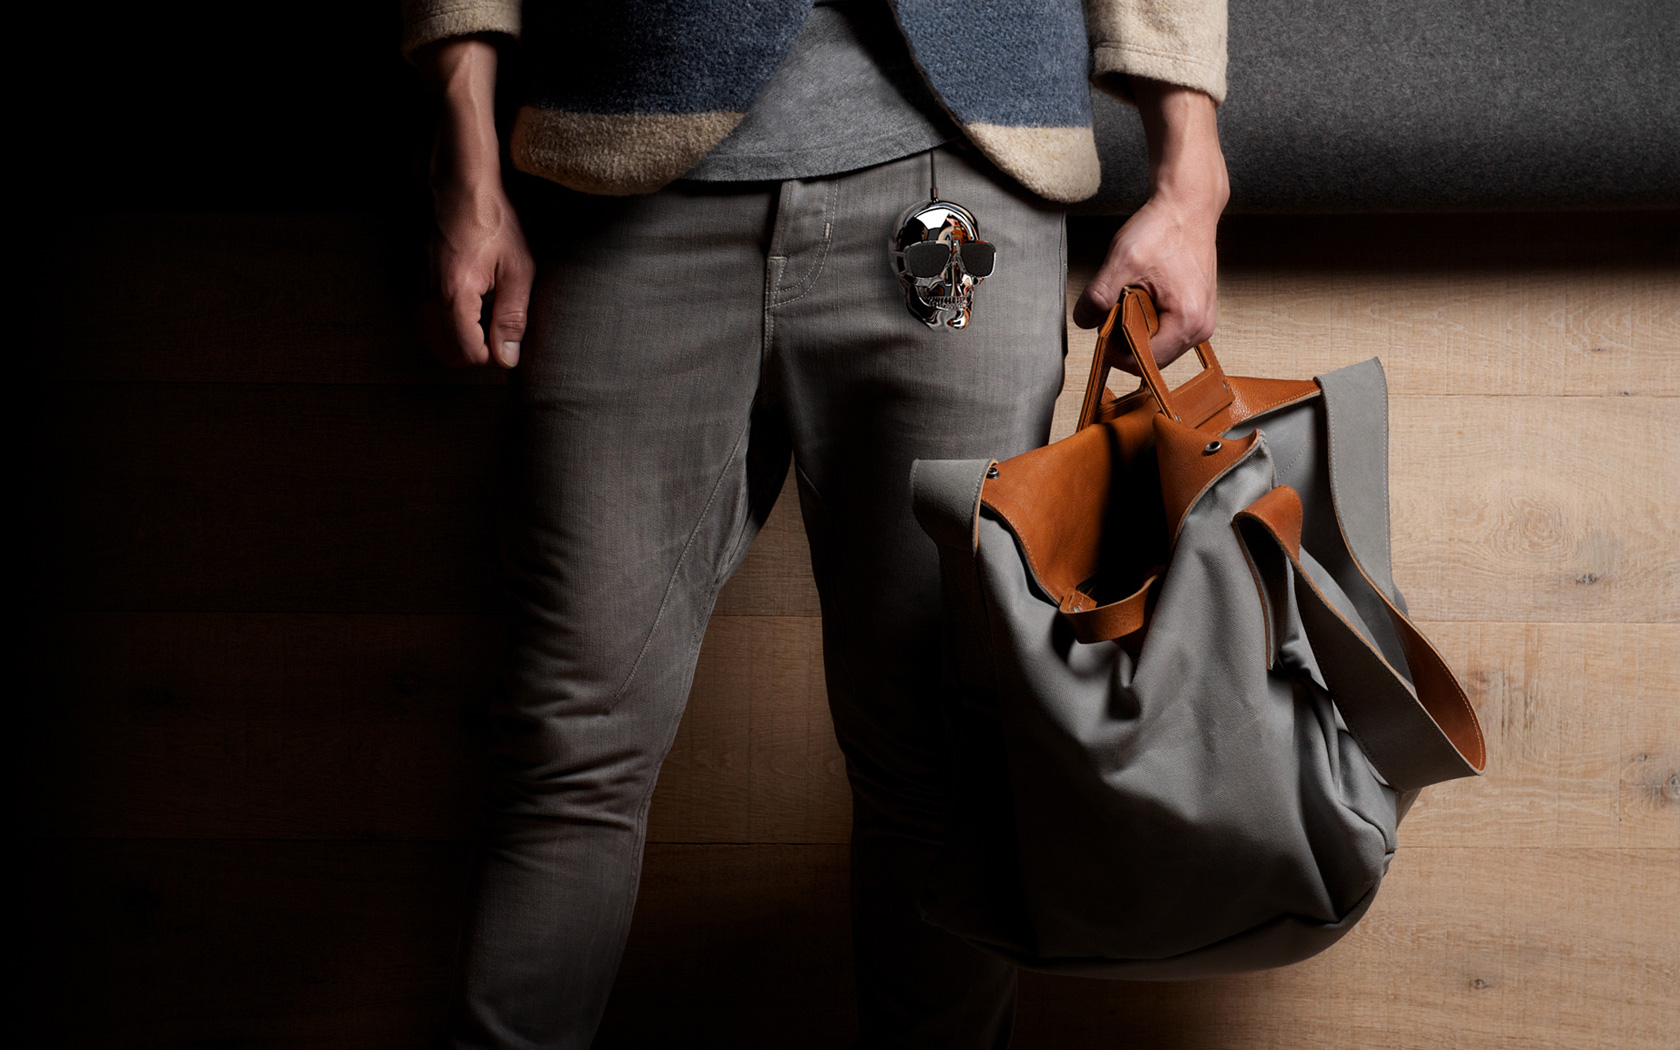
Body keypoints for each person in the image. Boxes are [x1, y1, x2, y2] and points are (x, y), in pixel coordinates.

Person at [405, 2, 1230, 1046]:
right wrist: (466, 161)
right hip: (628, 181)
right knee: (568, 741)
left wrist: (1191, 178)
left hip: (956, 198)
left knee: (943, 751)